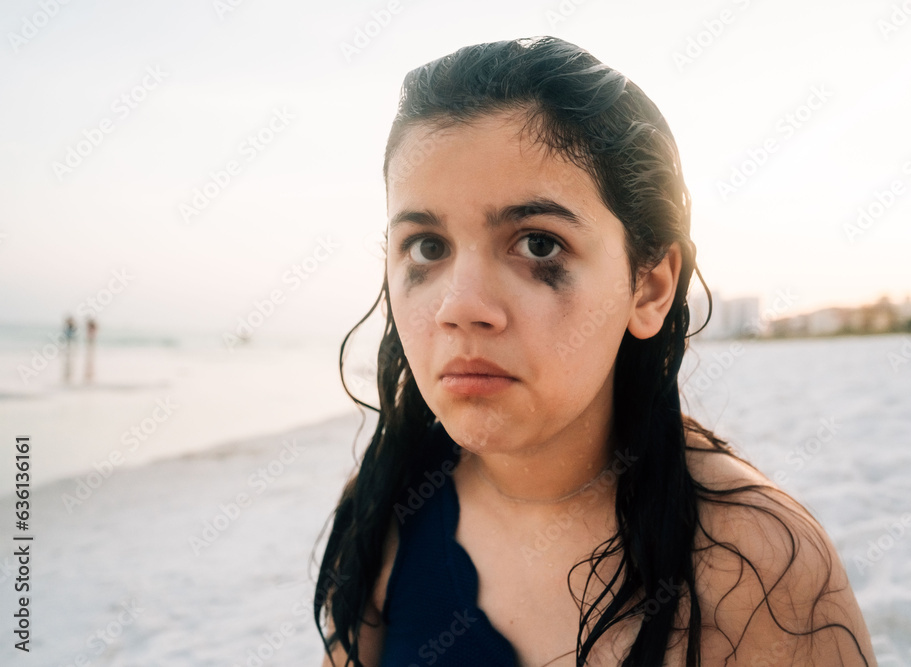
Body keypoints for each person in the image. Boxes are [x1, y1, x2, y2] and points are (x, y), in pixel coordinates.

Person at [314, 36, 875, 666]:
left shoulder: (754, 566)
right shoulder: (387, 505)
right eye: (426, 247)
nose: (460, 306)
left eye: (538, 245)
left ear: (650, 286)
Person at [84, 317, 98, 383]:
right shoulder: (92, 327)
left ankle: (90, 372)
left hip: (91, 341)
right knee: (90, 357)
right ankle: (90, 371)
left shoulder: (92, 327)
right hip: (90, 341)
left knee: (90, 357)